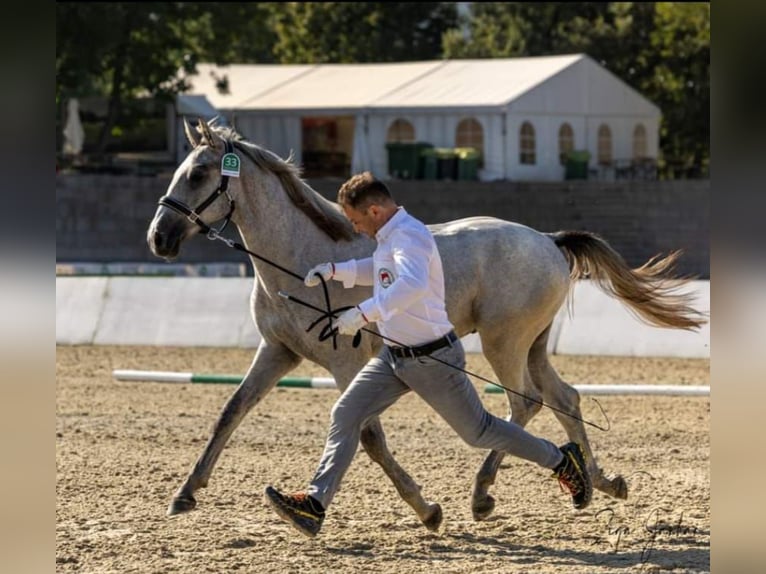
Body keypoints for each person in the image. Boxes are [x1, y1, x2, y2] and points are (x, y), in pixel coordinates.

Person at [264, 172, 591, 538]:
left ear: (374, 210)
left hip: (432, 360)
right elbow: (380, 271)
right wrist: (335, 271)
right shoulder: (389, 237)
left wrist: (362, 315)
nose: (355, 229)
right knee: (346, 412)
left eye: (356, 221)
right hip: (394, 358)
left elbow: (412, 285)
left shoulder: (410, 236)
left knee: (480, 432)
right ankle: (314, 503)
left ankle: (562, 460)